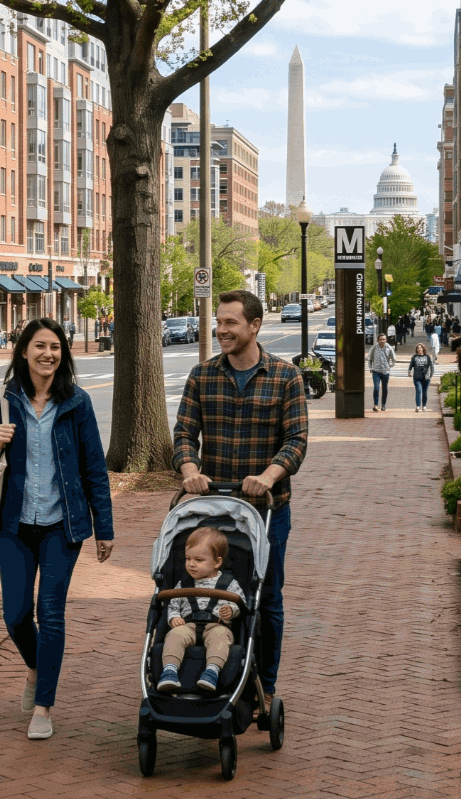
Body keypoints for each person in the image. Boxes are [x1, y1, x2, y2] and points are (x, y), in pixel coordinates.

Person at [0, 316, 114, 741]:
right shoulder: (3, 398)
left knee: (50, 614)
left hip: (60, 527)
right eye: (40, 346)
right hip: (13, 525)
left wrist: (104, 527)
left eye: (55, 347)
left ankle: (43, 706)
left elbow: (94, 470)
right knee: (14, 615)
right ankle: (36, 667)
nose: (48, 354)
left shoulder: (76, 402)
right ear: (25, 351)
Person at [173, 290, 306, 698]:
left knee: (266, 597)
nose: (221, 330)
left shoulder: (286, 376)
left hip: (267, 510)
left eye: (230, 322)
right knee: (210, 590)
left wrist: (268, 475)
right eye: (219, 321)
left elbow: (296, 440)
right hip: (214, 512)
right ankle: (220, 669)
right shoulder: (203, 376)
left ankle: (265, 684)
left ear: (254, 326)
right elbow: (183, 434)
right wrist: (190, 469)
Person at [155, 525, 242, 694]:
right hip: (188, 625)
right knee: (174, 635)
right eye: (188, 558)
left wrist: (231, 610)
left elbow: (241, 603)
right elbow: (173, 605)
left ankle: (212, 672)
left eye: (199, 560)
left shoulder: (229, 583)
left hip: (217, 625)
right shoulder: (183, 584)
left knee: (220, 639)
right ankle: (170, 671)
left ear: (217, 562)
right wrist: (173, 618)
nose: (191, 564)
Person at [368, 333, 396, 412]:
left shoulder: (389, 348)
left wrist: (390, 366)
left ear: (386, 340)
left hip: (385, 371)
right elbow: (369, 359)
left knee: (385, 388)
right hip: (376, 371)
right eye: (380, 339)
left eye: (383, 339)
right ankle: (376, 405)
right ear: (378, 340)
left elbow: (394, 358)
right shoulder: (374, 348)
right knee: (376, 388)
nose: (382, 341)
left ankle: (383, 404)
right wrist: (370, 368)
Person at [409, 342, 435, 412]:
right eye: (418, 348)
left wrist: (431, 374)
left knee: (425, 392)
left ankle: (424, 406)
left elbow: (431, 366)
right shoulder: (414, 357)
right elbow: (411, 365)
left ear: (423, 349)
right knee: (419, 391)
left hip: (426, 377)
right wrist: (409, 371)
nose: (419, 349)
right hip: (417, 377)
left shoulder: (427, 357)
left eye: (420, 348)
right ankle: (418, 406)